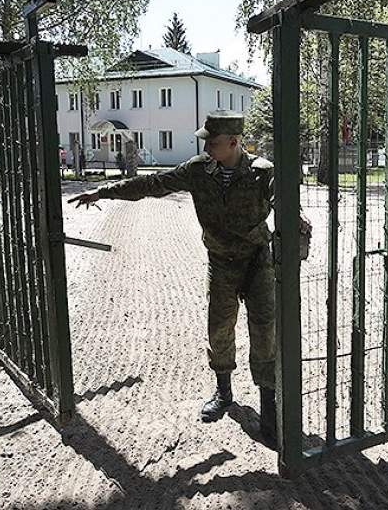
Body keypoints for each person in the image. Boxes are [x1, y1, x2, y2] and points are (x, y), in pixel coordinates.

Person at [68, 113, 307, 447]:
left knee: (264, 333)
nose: (206, 146)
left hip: (257, 262)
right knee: (219, 328)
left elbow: (283, 199)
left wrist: (296, 217)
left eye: (212, 141)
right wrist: (105, 192)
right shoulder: (198, 170)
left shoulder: (261, 172)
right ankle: (224, 394)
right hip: (221, 262)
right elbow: (152, 185)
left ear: (233, 142)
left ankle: (270, 408)